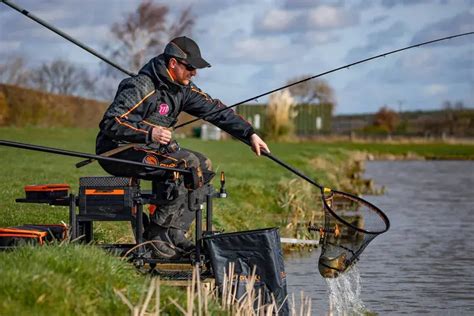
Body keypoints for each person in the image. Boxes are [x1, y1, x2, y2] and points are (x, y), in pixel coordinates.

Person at [96, 36, 269, 258]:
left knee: (203, 166)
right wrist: (150, 132)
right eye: (190, 67)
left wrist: (249, 134)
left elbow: (215, 110)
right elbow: (111, 122)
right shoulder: (141, 86)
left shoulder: (182, 89)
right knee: (186, 164)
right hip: (117, 151)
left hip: (150, 150)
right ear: (173, 63)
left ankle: (176, 232)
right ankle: (156, 234)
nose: (194, 73)